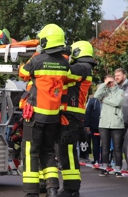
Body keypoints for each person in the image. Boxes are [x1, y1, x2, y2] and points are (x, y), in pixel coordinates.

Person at [19, 24, 70, 197]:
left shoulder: (37, 60)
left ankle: (31, 191)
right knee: (48, 152)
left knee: (30, 152)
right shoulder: (65, 63)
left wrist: (35, 54)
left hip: (35, 115)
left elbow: (23, 73)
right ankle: (52, 189)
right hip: (53, 116)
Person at [57, 40, 96, 197]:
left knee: (68, 154)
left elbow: (62, 74)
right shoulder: (84, 67)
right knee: (65, 153)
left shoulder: (82, 67)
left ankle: (72, 190)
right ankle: (70, 189)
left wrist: (56, 60)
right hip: (70, 116)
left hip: (71, 118)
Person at [94, 75, 125, 177]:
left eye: (112, 81)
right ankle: (105, 168)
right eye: (108, 82)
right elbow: (96, 96)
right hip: (104, 123)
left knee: (117, 148)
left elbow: (118, 103)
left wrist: (104, 100)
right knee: (105, 148)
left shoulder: (120, 92)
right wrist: (104, 85)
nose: (111, 84)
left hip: (117, 123)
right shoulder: (104, 91)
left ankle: (118, 169)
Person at [114, 68, 128, 171]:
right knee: (116, 147)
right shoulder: (114, 89)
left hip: (127, 122)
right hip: (116, 123)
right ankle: (118, 167)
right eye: (115, 75)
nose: (116, 77)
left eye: (119, 75)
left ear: (124, 76)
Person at [84, 85, 102, 165]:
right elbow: (87, 113)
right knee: (95, 143)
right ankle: (96, 160)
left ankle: (105, 160)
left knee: (105, 145)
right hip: (95, 126)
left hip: (106, 126)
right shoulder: (93, 101)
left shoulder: (109, 99)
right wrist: (87, 125)